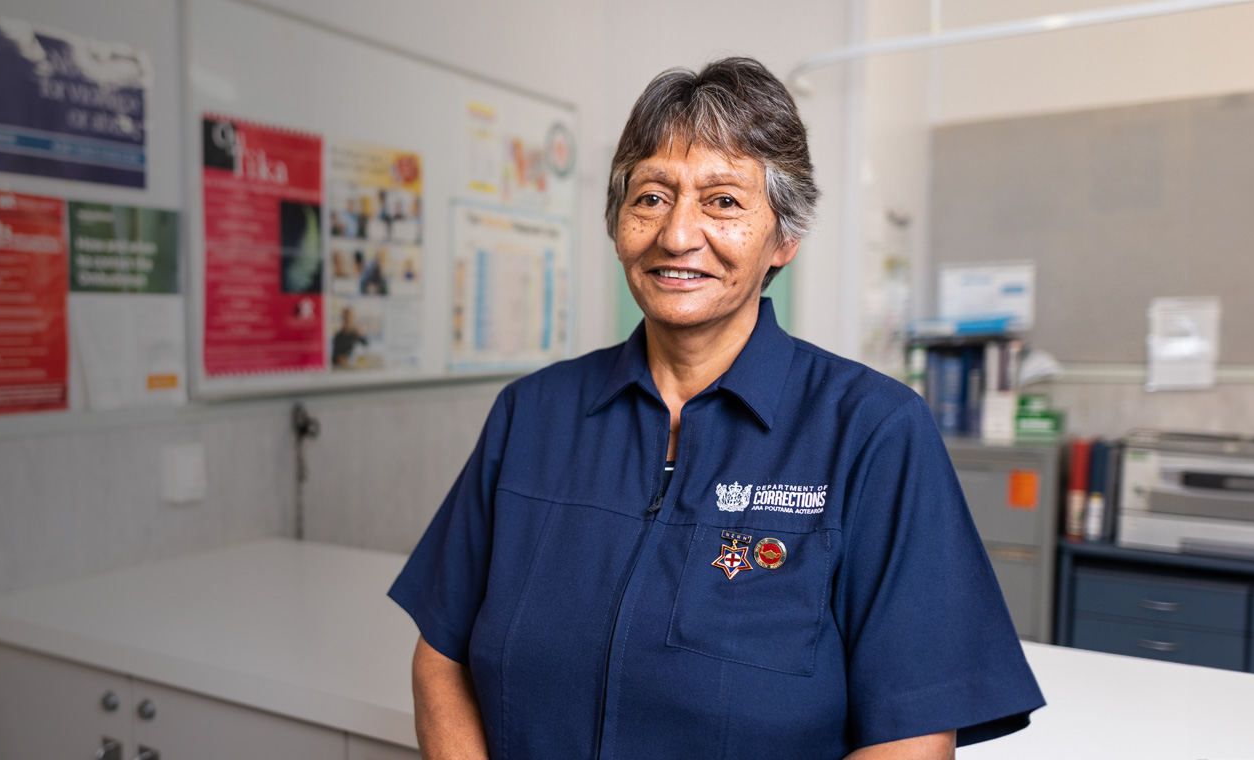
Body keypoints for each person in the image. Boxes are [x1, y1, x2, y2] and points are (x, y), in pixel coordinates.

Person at [388, 57, 1043, 760]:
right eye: (650, 197)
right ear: (618, 226)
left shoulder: (875, 434)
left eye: (724, 201)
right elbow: (440, 658)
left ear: (783, 240)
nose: (676, 235)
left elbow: (912, 738)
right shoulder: (531, 415)